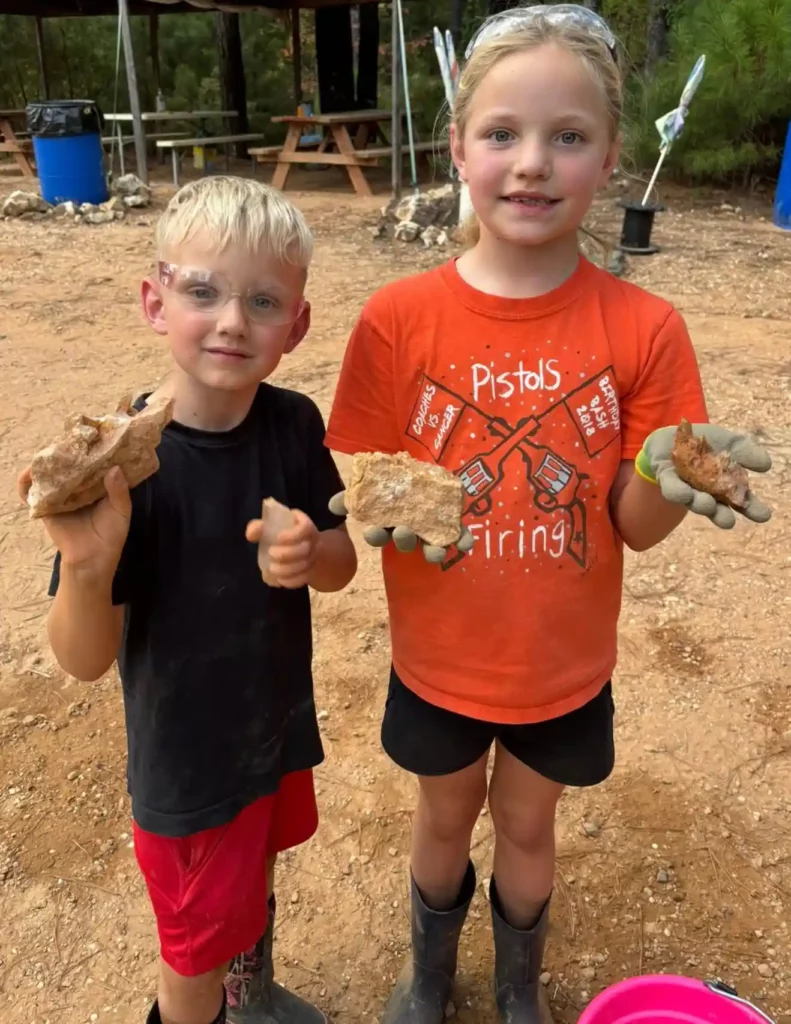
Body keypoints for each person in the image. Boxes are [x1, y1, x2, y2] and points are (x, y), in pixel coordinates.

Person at [324, 6, 772, 1024]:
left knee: (527, 825)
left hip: (561, 665)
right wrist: (355, 518)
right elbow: (364, 478)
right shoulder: (396, 321)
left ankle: (518, 991)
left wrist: (666, 472)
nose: (530, 163)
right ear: (457, 147)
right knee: (442, 818)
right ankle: (427, 981)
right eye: (501, 134)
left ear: (609, 156)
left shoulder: (643, 328)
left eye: (565, 136)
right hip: (436, 657)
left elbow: (633, 521)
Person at [19, 176, 357, 1024]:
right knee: (192, 955)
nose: (233, 320)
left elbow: (345, 559)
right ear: (154, 301)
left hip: (271, 725)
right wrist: (91, 570)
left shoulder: (293, 424)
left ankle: (253, 994)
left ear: (298, 325)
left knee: (251, 885)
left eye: (263, 300)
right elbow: (83, 659)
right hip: (190, 765)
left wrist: (312, 551)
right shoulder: (126, 463)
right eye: (202, 291)